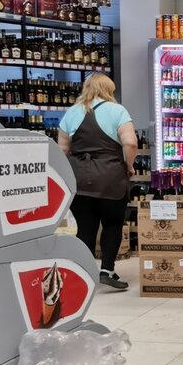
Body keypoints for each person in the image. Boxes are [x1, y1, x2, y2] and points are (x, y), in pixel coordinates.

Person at [58, 74, 138, 290]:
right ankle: (107, 271)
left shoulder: (72, 112)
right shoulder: (117, 111)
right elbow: (130, 143)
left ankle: (83, 274)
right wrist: (129, 165)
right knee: (112, 224)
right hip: (110, 177)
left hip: (79, 178)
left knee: (85, 227)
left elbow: (62, 149)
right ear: (109, 90)